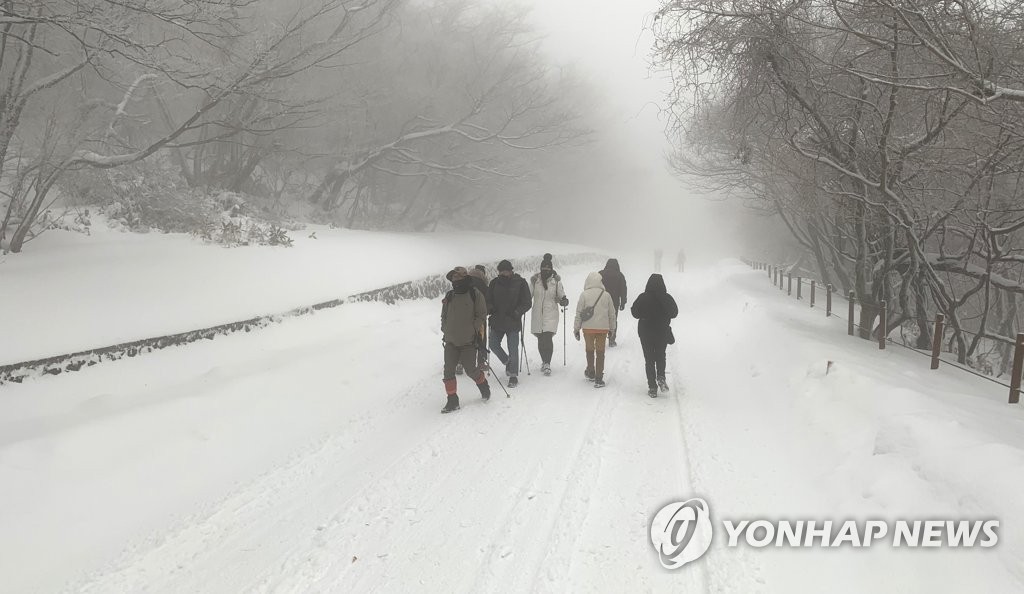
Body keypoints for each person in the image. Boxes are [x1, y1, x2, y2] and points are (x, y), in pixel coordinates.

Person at [440, 267, 491, 413]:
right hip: (450, 341)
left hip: (468, 342)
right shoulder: (449, 295)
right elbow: (444, 315)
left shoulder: (475, 294)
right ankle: (452, 400)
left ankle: (483, 384)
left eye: (458, 277)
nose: (455, 280)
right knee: (448, 371)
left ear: (465, 278)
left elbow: (482, 314)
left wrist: (472, 329)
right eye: (453, 277)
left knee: (471, 370)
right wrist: (445, 328)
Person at [630, 273, 679, 397]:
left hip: (645, 332)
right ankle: (661, 376)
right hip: (662, 332)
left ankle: (652, 387)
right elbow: (674, 313)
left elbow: (634, 313)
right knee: (661, 355)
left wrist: (645, 312)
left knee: (649, 360)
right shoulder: (667, 298)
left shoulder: (643, 297)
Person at [487, 259, 532, 388]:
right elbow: (488, 299)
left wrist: (517, 312)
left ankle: (513, 375)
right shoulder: (494, 283)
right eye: (501, 271)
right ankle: (507, 361)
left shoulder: (520, 283)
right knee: (493, 345)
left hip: (513, 320)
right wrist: (490, 308)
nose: (504, 273)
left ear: (511, 270)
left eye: (506, 271)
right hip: (497, 320)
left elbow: (527, 302)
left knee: (513, 348)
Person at [573, 271, 617, 388]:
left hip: (587, 328)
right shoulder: (606, 295)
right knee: (600, 352)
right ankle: (598, 378)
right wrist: (612, 328)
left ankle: (591, 371)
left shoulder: (584, 295)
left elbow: (578, 313)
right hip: (603, 329)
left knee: (590, 350)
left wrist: (576, 328)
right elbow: (612, 314)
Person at [529, 253, 569, 376]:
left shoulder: (556, 282)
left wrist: (564, 300)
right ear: (540, 268)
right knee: (541, 339)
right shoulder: (535, 281)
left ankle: (547, 363)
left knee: (547, 337)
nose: (545, 270)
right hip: (537, 314)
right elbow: (528, 295)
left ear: (551, 269)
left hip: (551, 313)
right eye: (543, 268)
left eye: (547, 268)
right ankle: (544, 361)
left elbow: (562, 296)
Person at [456, 264, 490, 375]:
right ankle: (481, 362)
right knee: (481, 338)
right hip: (479, 316)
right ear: (483, 273)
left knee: (463, 339)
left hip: (463, 316)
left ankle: (460, 363)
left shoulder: (465, 281)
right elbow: (487, 301)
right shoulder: (484, 284)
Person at [599, 259, 627, 347]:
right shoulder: (620, 275)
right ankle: (612, 339)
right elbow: (623, 290)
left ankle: (601, 339)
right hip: (614, 301)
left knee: (602, 319)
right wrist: (623, 302)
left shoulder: (600, 274)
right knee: (613, 320)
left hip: (601, 301)